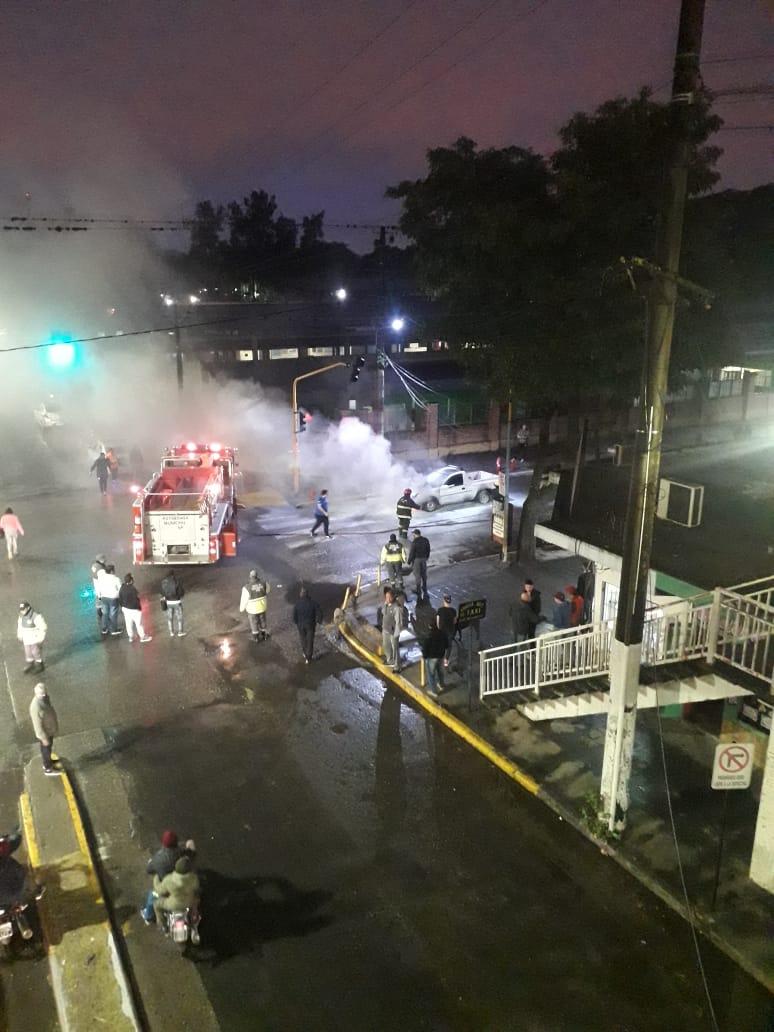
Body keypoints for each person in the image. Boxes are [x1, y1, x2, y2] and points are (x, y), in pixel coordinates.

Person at [153, 856, 201, 943]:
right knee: (196, 906)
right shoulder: (193, 878)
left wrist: (155, 878)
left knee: (156, 904)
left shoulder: (169, 879)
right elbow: (197, 889)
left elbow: (159, 890)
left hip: (174, 904)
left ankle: (162, 925)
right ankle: (194, 924)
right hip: (189, 902)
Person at [141, 829, 184, 924]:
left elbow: (149, 869)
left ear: (164, 844)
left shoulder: (159, 858)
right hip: (183, 886)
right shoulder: (182, 853)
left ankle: (148, 915)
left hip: (167, 890)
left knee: (152, 895)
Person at [29, 683, 61, 776]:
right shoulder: (35, 707)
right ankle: (48, 769)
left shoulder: (44, 698)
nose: (43, 695)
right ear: (36, 693)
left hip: (49, 730)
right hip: (45, 733)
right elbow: (37, 726)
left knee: (48, 749)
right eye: (41, 694)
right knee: (46, 750)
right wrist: (43, 738)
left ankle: (48, 762)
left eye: (44, 693)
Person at [292, 586, 323, 664]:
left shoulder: (297, 604)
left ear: (301, 594)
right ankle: (308, 657)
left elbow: (294, 615)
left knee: (303, 639)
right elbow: (319, 612)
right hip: (310, 625)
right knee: (310, 640)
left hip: (300, 625)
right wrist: (318, 621)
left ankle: (305, 653)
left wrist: (296, 622)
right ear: (307, 594)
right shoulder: (313, 603)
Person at [119, 573, 152, 643]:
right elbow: (136, 600)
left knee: (128, 623)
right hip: (134, 609)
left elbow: (120, 598)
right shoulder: (133, 589)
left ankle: (131, 637)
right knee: (139, 623)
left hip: (125, 608)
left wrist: (122, 606)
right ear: (131, 581)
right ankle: (143, 637)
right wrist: (139, 608)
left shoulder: (122, 587)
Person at [239, 569, 270, 641]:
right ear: (257, 576)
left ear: (250, 577)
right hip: (262, 607)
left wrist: (241, 609)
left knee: (253, 622)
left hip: (252, 610)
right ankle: (264, 634)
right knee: (263, 620)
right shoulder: (264, 583)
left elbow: (244, 600)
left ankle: (256, 637)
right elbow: (267, 591)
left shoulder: (246, 587)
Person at [422, 623, 449, 699]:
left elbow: (425, 648)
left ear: (430, 627)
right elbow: (447, 645)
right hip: (441, 656)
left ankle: (434, 691)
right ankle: (441, 685)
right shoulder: (443, 634)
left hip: (432, 658)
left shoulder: (428, 636)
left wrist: (425, 657)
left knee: (431, 675)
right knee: (440, 672)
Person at [17, 602, 46, 673]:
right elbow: (20, 627)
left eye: (24, 609)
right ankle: (30, 664)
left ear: (28, 608)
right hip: (26, 638)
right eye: (21, 610)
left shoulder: (35, 616)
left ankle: (40, 665)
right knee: (28, 652)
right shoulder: (21, 617)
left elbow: (43, 627)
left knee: (36, 652)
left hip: (34, 638)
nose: (22, 611)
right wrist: (20, 635)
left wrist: (41, 638)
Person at [97, 563, 123, 637]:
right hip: (113, 598)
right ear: (111, 571)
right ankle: (114, 630)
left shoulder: (102, 578)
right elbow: (120, 589)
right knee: (113, 614)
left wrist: (99, 596)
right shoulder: (116, 579)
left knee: (105, 613)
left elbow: (98, 588)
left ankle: (104, 629)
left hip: (104, 597)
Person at [161, 568, 186, 637]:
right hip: (177, 602)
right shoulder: (177, 581)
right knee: (179, 618)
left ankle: (171, 632)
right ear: (173, 575)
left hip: (168, 602)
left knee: (169, 618)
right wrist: (179, 596)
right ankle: (180, 632)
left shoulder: (163, 582)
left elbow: (162, 592)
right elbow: (181, 592)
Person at [407, 528, 431, 598]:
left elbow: (412, 553)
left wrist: (409, 561)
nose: (413, 535)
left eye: (413, 534)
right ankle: (424, 587)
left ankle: (418, 590)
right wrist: (426, 557)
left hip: (416, 560)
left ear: (415, 534)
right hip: (424, 559)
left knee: (417, 575)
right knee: (424, 574)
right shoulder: (425, 540)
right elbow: (428, 549)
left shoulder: (414, 542)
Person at [436, 593, 458, 668]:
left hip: (442, 631)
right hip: (450, 631)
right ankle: (446, 660)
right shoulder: (453, 611)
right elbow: (455, 621)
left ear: (443, 601)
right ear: (450, 601)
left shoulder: (440, 610)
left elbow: (437, 622)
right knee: (449, 646)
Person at [91, 553, 108, 625]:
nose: (105, 560)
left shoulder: (94, 565)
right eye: (103, 559)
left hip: (96, 583)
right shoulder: (100, 568)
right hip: (100, 585)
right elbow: (103, 577)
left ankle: (99, 609)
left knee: (98, 597)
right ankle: (102, 612)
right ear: (101, 560)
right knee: (101, 598)